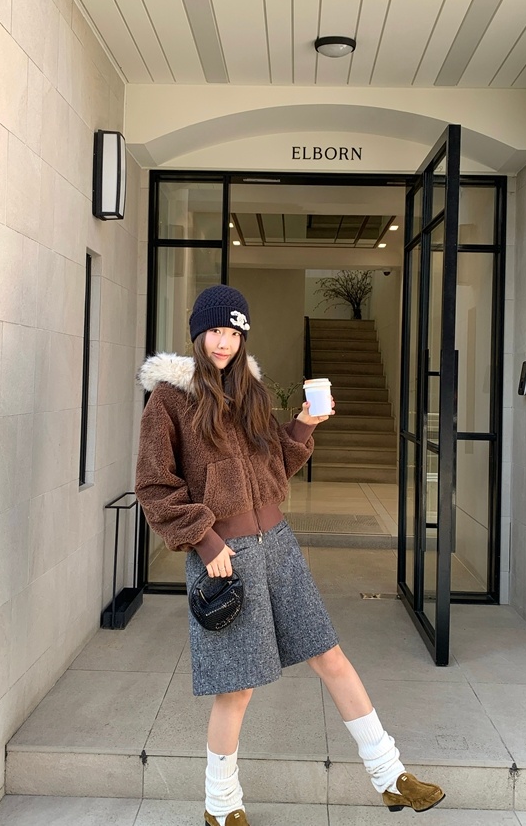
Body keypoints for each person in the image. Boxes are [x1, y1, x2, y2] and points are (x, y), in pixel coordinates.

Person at [135, 285, 445, 826]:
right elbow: (154, 486)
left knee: (331, 656)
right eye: (215, 331)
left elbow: (273, 463)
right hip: (225, 556)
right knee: (237, 687)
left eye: (233, 332)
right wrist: (206, 541)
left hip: (278, 544)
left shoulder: (251, 394)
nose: (224, 342)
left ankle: (390, 776)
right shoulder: (169, 400)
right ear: (198, 334)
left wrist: (303, 425)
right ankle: (221, 805)